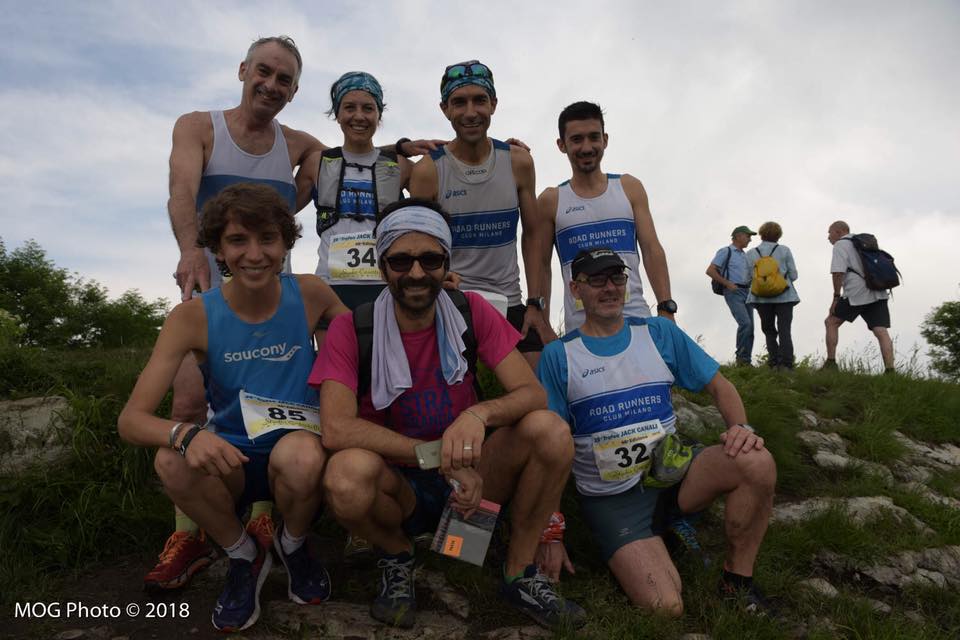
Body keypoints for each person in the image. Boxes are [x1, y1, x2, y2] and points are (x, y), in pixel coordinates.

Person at [311, 198, 586, 630]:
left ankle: (517, 573)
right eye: (401, 261)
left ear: (446, 261)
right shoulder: (351, 327)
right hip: (398, 485)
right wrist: (435, 455)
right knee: (345, 475)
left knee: (550, 430)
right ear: (382, 265)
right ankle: (397, 553)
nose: (417, 273)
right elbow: (336, 428)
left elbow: (531, 393)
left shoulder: (470, 310)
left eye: (430, 259)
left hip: (471, 481)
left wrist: (478, 414)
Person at [119, 184, 347, 631]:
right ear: (218, 250)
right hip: (233, 456)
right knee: (171, 460)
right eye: (238, 241)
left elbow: (367, 335)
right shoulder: (192, 317)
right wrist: (187, 434)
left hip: (300, 450)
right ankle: (244, 555)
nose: (255, 254)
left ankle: (294, 544)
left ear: (285, 244)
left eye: (267, 239)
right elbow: (131, 419)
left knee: (300, 456)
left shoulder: (311, 292)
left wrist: (439, 292)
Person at [155, 34, 323, 593]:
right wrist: (189, 250)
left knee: (274, 400)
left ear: (294, 91)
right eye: (264, 72)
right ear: (243, 70)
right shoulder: (199, 126)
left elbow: (324, 171)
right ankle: (192, 534)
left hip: (269, 295)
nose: (271, 85)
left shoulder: (301, 145)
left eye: (284, 80)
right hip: (206, 286)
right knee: (187, 402)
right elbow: (182, 190)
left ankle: (263, 512)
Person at [538, 247, 777, 616]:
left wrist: (741, 428)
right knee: (666, 606)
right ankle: (664, 530)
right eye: (596, 279)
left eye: (617, 277)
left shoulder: (658, 333)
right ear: (576, 290)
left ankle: (737, 582)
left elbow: (720, 386)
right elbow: (549, 451)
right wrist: (551, 530)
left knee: (757, 461)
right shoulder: (559, 356)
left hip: (675, 475)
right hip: (614, 500)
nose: (609, 287)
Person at [409, 60, 554, 368]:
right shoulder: (428, 171)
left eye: (480, 100)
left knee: (540, 394)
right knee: (454, 400)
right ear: (445, 109)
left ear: (494, 104)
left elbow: (533, 237)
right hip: (453, 301)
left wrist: (535, 304)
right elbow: (418, 245)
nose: (471, 112)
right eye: (459, 102)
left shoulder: (518, 162)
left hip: (510, 301)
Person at [527, 101, 675, 334]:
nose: (587, 147)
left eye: (593, 137)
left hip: (636, 322)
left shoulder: (629, 187)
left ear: (605, 139)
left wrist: (666, 307)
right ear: (561, 145)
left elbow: (651, 248)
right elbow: (542, 266)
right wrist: (542, 320)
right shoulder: (550, 200)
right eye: (576, 139)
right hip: (583, 330)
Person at [823, 220, 894, 372]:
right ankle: (890, 370)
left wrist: (836, 297)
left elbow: (837, 273)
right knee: (881, 330)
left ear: (838, 231)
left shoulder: (841, 245)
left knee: (831, 322)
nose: (828, 237)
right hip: (878, 291)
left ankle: (831, 363)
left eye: (829, 232)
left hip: (856, 293)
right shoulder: (863, 242)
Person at [745, 222, 799, 370]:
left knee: (768, 330)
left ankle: (773, 362)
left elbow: (747, 278)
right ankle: (786, 364)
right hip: (785, 297)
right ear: (778, 235)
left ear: (761, 234)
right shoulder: (784, 250)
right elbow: (794, 275)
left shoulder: (751, 253)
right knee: (784, 329)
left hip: (761, 298)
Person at [706, 226, 757, 365]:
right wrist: (727, 284)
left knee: (750, 327)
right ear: (739, 236)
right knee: (745, 324)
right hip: (734, 292)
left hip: (747, 292)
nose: (750, 239)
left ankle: (746, 361)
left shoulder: (745, 256)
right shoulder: (725, 251)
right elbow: (710, 271)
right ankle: (741, 359)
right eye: (748, 236)